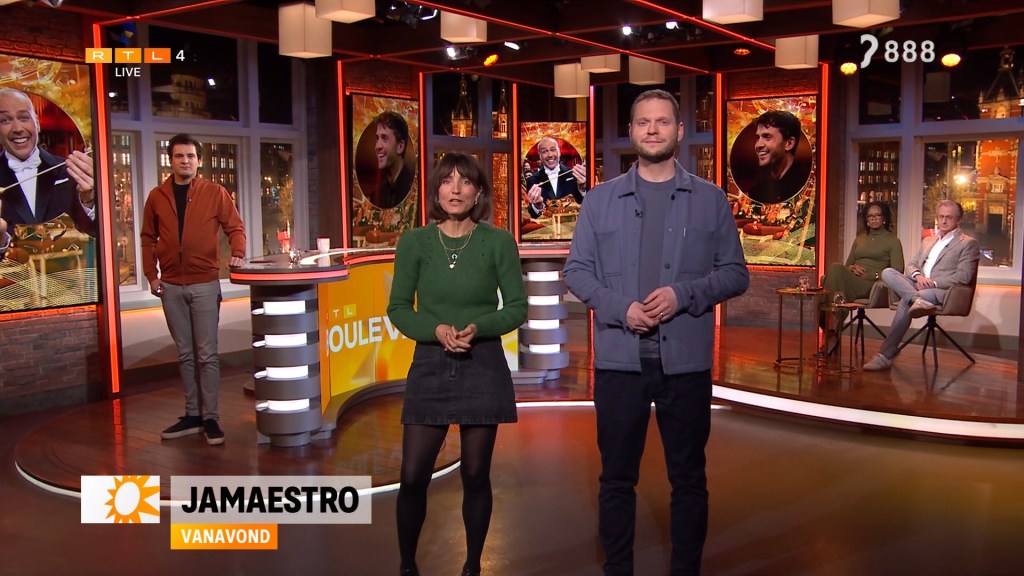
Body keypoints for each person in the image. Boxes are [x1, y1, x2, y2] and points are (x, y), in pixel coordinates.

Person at [564, 89, 749, 576]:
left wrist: (683, 295)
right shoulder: (599, 200)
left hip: (685, 365)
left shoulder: (710, 199)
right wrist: (620, 307)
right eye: (643, 122)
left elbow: (736, 274)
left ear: (679, 130)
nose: (652, 130)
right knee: (616, 480)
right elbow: (576, 271)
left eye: (662, 121)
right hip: (619, 363)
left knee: (688, 479)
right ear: (631, 131)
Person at [387, 152, 527, 576]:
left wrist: (477, 327)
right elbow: (398, 308)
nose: (455, 189)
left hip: (482, 363)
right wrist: (436, 330)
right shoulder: (414, 242)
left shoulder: (498, 242)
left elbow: (516, 308)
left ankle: (473, 567)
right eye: (447, 181)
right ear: (436, 191)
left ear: (478, 192)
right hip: (430, 362)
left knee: (476, 473)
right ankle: (407, 566)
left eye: (465, 181)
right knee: (413, 475)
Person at [140, 133, 246, 445]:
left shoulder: (215, 192)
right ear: (170, 160)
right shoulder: (156, 196)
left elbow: (235, 227)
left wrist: (238, 253)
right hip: (170, 286)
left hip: (204, 284)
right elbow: (147, 238)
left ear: (199, 161)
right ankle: (192, 415)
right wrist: (151, 275)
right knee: (185, 354)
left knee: (206, 355)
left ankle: (211, 417)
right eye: (179, 156)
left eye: (190, 156)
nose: (185, 161)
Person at [863, 199, 979, 371]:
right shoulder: (928, 241)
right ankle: (915, 299)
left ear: (958, 219)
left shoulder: (967, 243)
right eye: (941, 216)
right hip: (918, 285)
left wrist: (933, 283)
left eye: (949, 217)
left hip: (942, 290)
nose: (944, 221)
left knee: (906, 301)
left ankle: (885, 355)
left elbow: (964, 276)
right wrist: (918, 277)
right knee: (887, 272)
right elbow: (911, 265)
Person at [0, 87, 96, 258]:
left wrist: (89, 201)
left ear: (36, 123)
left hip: (71, 270)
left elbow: (94, 235)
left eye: (23, 117)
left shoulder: (69, 171)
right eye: (5, 120)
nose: (17, 128)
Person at [821, 201, 904, 328]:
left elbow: (898, 271)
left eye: (877, 215)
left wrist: (873, 275)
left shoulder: (893, 241)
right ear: (866, 219)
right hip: (854, 279)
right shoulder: (859, 239)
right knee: (835, 268)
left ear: (884, 218)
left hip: (872, 284)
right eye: (870, 216)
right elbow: (847, 265)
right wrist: (852, 268)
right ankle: (833, 319)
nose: (874, 218)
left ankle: (830, 321)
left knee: (833, 274)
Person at [745, 109, 807, 205]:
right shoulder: (756, 192)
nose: (758, 145)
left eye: (767, 137)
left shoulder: (806, 188)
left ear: (789, 143)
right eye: (758, 138)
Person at [524, 136, 586, 218]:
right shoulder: (532, 180)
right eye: (544, 151)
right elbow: (531, 214)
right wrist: (537, 205)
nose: (550, 155)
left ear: (559, 152)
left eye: (553, 150)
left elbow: (584, 203)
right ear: (540, 156)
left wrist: (582, 188)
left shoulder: (573, 174)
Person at [370, 111, 414, 209]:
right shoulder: (376, 196)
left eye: (384, 138)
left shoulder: (414, 190)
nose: (377, 146)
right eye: (377, 138)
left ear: (400, 147)